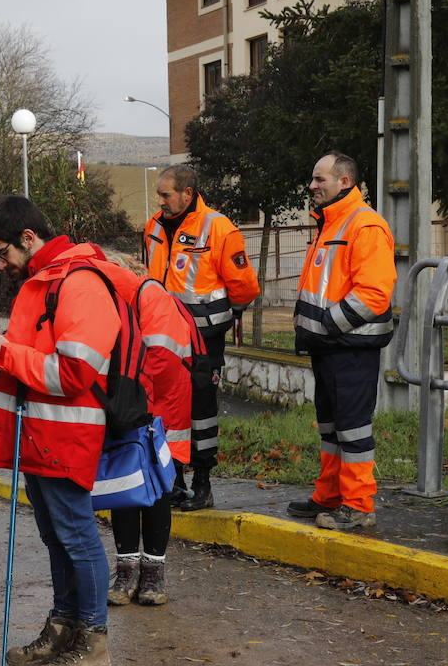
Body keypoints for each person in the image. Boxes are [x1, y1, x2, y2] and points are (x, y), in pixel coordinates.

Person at [0, 196, 119, 666]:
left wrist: (7, 353)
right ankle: (64, 627)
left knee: (77, 537)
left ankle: (92, 643)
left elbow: (76, 372)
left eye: (1, 252)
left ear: (28, 239)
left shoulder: (78, 282)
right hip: (40, 430)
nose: (0, 263)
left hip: (66, 430)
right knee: (57, 537)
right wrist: (7, 350)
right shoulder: (45, 282)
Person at [287, 153, 396, 531]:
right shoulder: (332, 222)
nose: (312, 186)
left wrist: (325, 326)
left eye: (320, 180)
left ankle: (359, 505)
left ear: (345, 181)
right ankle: (330, 496)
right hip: (331, 346)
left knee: (352, 428)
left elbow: (374, 294)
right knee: (331, 427)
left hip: (350, 347)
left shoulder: (364, 225)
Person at [143, 165, 260, 510]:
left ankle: (203, 483)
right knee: (165, 409)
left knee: (201, 410)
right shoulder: (153, 226)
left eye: (166, 195)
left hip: (202, 340)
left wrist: (223, 317)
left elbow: (245, 286)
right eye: (159, 195)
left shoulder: (218, 228)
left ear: (187, 193)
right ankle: (173, 480)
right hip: (161, 337)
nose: (160, 201)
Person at [98, 251, 194, 606]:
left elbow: (162, 362)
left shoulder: (148, 297)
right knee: (125, 487)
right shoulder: (129, 298)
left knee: (154, 491)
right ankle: (127, 573)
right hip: (133, 406)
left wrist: (133, 407)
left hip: (154, 412)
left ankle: (152, 576)